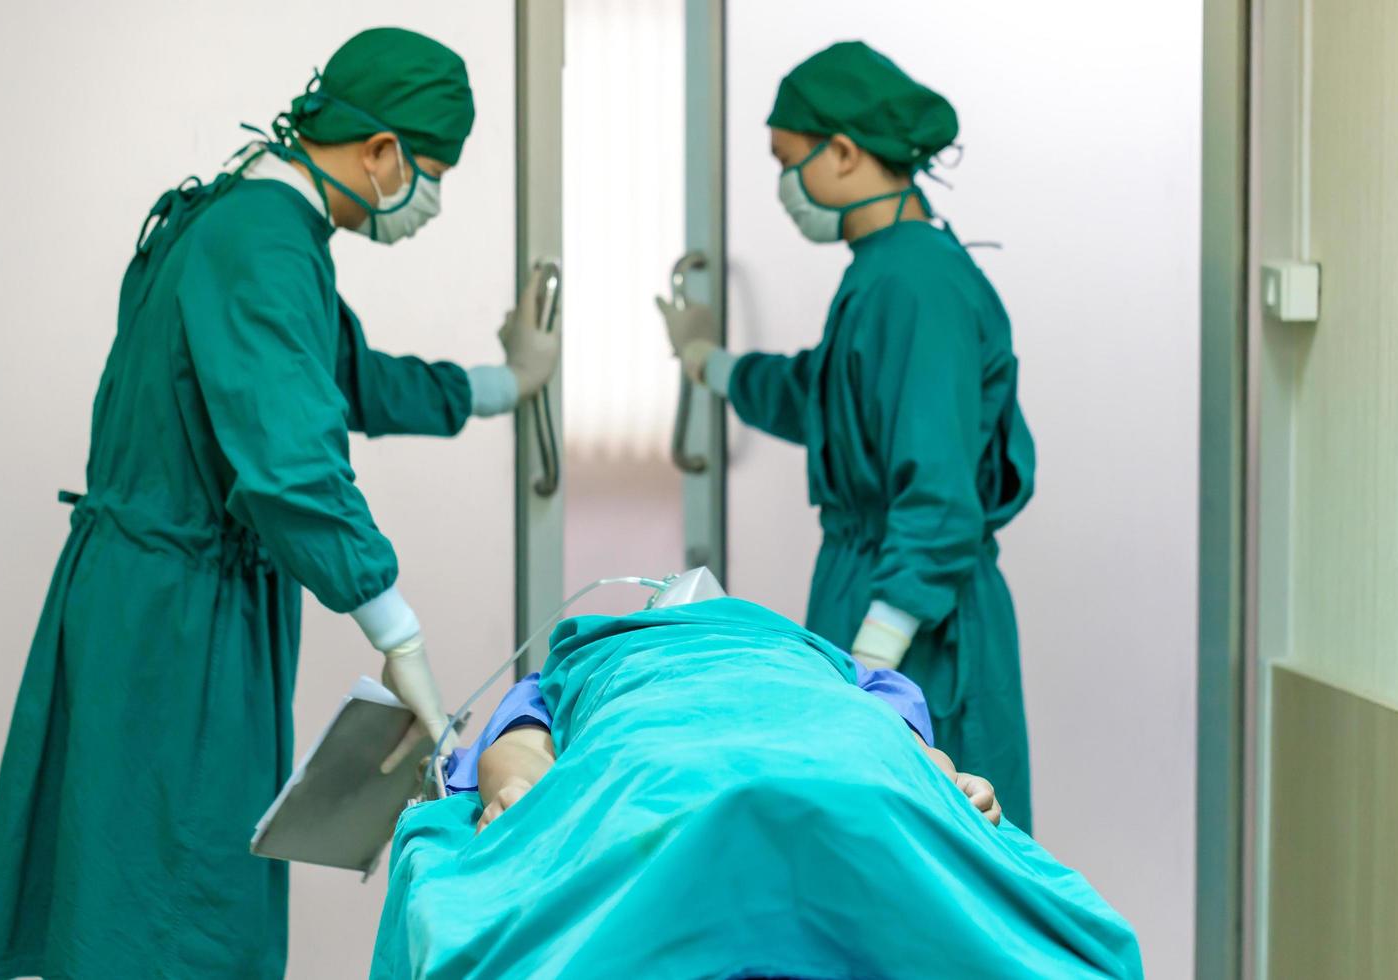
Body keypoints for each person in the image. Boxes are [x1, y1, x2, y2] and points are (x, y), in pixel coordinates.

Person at [0, 28, 558, 980]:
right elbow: (292, 471)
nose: (425, 204)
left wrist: (503, 382)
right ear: (385, 153)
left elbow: (345, 377)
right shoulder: (264, 240)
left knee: (144, 879)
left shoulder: (256, 222)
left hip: (158, 597)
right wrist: (396, 631)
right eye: (431, 174)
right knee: (173, 896)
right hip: (176, 625)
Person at [657, 41, 1037, 830]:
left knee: (928, 864)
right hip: (872, 583)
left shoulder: (915, 281)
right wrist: (707, 362)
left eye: (787, 161)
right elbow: (824, 397)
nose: (784, 187)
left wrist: (874, 660)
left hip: (917, 614)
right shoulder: (883, 269)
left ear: (841, 151)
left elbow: (937, 500)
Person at [371, 599, 1141, 979]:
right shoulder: (842, 668)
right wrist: (946, 788)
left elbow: (516, 760)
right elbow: (909, 752)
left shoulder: (574, 664)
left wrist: (519, 808)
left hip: (657, 773)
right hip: (841, 761)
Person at [448, 659, 1002, 832]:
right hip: (647, 737)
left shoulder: (819, 660)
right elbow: (519, 739)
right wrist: (519, 790)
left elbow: (891, 732)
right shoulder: (593, 654)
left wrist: (943, 778)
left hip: (649, 762)